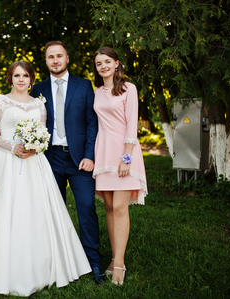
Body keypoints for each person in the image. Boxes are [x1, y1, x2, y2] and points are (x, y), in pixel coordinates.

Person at [0, 61, 91, 296]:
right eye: (17, 75)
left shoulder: (39, 104)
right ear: (10, 78)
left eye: (26, 75)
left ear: (31, 79)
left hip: (34, 164)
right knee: (5, 211)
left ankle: (42, 268)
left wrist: (35, 147)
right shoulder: (0, 100)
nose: (21, 79)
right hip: (6, 162)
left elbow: (44, 133)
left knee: (35, 211)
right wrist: (13, 147)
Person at [31, 41, 104, 284]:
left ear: (67, 58)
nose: (55, 60)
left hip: (79, 159)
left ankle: (93, 262)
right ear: (46, 61)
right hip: (49, 158)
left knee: (86, 208)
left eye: (59, 56)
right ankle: (57, 261)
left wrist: (89, 155)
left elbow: (92, 123)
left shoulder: (83, 85)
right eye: (50, 57)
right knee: (53, 211)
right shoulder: (37, 89)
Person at [92, 46, 147, 285]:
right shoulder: (96, 92)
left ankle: (120, 266)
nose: (103, 66)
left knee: (121, 208)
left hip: (124, 152)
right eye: (98, 63)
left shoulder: (128, 88)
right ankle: (114, 259)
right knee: (110, 208)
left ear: (116, 63)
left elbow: (131, 125)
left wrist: (127, 157)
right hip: (103, 152)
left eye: (107, 62)